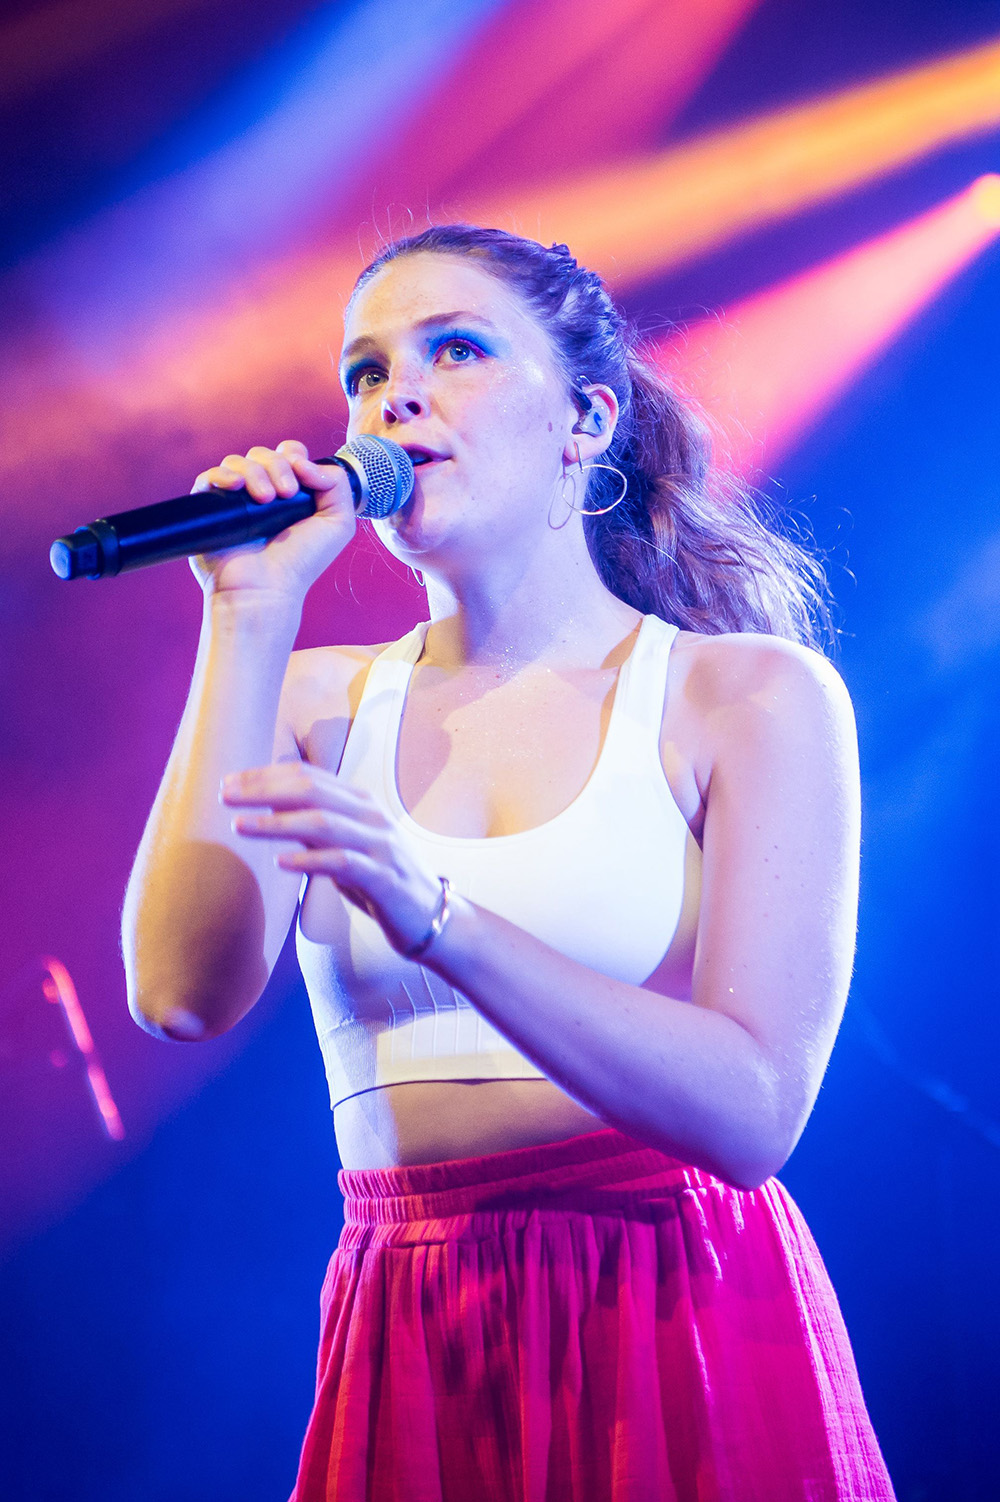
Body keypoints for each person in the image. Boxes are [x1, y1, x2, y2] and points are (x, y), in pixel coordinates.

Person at [122, 224, 895, 1501]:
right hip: (416, 1321)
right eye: (365, 371)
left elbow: (753, 1113)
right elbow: (177, 994)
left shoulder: (747, 694)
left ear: (586, 419)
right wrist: (244, 613)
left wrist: (438, 914)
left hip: (674, 1311)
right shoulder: (315, 699)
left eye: (457, 350)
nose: (395, 395)